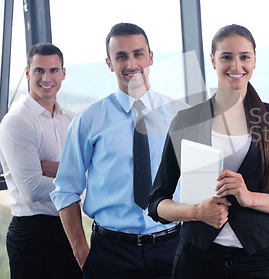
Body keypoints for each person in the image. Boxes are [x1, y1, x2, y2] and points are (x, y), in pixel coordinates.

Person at [148, 24, 269, 279]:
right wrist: (195, 212)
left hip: (256, 263)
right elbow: (156, 203)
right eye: (226, 57)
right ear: (213, 60)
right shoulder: (186, 121)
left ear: (255, 61)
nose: (236, 66)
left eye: (244, 57)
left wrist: (250, 198)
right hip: (195, 261)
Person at [50, 23, 189, 279]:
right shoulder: (89, 120)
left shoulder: (180, 115)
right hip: (110, 255)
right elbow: (66, 190)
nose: (131, 63)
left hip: (172, 248)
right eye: (121, 56)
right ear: (109, 63)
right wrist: (83, 254)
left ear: (150, 57)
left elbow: (199, 184)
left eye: (138, 53)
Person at [0, 43, 81, 278]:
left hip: (69, 228)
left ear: (63, 74)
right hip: (33, 235)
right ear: (28, 73)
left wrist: (59, 171)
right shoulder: (17, 121)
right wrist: (77, 176)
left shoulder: (72, 120)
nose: (47, 77)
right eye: (39, 71)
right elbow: (33, 189)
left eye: (54, 70)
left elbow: (91, 170)